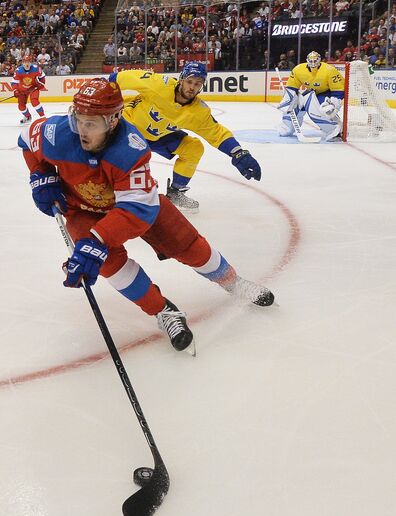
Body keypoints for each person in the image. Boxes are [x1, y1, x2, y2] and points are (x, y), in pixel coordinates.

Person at [18, 78, 274, 355]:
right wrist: (40, 174)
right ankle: (163, 311)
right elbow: (26, 141)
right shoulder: (56, 132)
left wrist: (98, 238)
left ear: (114, 120)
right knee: (107, 264)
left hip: (138, 207)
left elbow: (135, 210)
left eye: (92, 123)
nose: (81, 130)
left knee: (188, 246)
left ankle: (233, 282)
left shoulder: (131, 148)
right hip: (82, 210)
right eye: (78, 120)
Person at [109, 62, 261, 213]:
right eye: (189, 81)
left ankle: (176, 191)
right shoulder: (158, 85)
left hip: (159, 136)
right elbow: (123, 78)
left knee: (194, 148)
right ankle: (108, 189)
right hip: (129, 128)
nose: (192, 87)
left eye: (197, 83)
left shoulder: (198, 112)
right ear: (181, 79)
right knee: (119, 161)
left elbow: (216, 132)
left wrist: (238, 153)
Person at [277, 51, 344, 141]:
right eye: (311, 61)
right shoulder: (298, 69)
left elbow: (338, 89)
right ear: (307, 60)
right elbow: (291, 88)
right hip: (310, 92)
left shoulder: (329, 70)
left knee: (322, 110)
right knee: (294, 105)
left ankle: (335, 130)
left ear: (319, 60)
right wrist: (287, 100)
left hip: (325, 94)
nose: (313, 63)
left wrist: (334, 104)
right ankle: (287, 127)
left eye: (315, 61)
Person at [11, 54, 46, 124]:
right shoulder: (18, 70)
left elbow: (42, 77)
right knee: (21, 106)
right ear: (22, 62)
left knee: (34, 101)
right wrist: (15, 90)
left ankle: (43, 118)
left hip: (33, 88)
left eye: (28, 62)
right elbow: (14, 82)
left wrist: (41, 84)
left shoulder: (36, 68)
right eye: (25, 62)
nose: (27, 64)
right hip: (22, 90)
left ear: (31, 62)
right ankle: (27, 116)